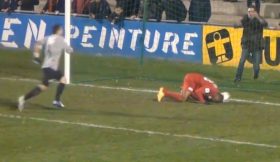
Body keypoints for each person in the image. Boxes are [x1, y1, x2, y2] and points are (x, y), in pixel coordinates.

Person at [18, 25, 73, 112]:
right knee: (63, 79)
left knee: (43, 86)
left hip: (46, 67)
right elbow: (69, 50)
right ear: (58, 31)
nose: (62, 31)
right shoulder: (61, 40)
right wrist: (70, 49)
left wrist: (36, 56)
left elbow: (37, 43)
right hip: (51, 68)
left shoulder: (48, 38)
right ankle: (56, 100)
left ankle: (23, 99)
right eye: (61, 30)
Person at [234, 6, 267, 83]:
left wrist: (257, 17)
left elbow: (265, 24)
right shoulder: (245, 18)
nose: (250, 13)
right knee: (242, 61)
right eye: (249, 11)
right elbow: (236, 25)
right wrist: (237, 23)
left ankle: (256, 74)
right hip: (247, 44)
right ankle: (237, 78)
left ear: (255, 12)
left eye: (252, 11)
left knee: (256, 66)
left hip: (257, 45)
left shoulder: (259, 19)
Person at [157, 73, 230, 104]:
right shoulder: (211, 89)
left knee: (191, 98)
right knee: (183, 98)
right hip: (191, 80)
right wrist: (202, 101)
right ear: (217, 95)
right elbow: (198, 92)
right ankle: (164, 92)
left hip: (194, 82)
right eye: (217, 100)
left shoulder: (214, 90)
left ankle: (184, 90)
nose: (215, 101)